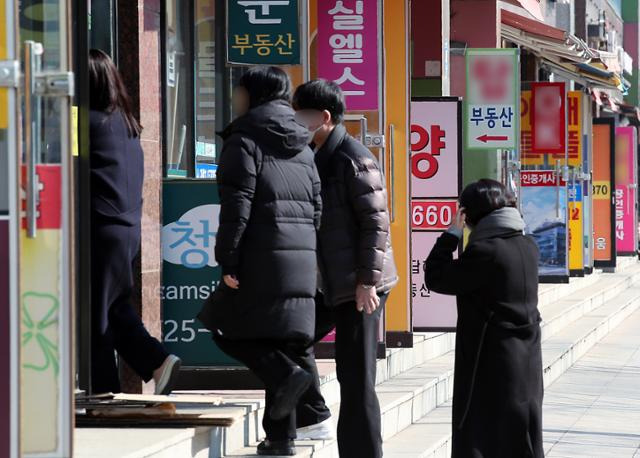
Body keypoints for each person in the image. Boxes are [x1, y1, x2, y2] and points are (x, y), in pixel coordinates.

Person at [211, 66, 322, 456]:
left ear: (251, 95)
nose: (233, 97)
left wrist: (228, 258)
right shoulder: (303, 144)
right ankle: (281, 439)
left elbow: (236, 206)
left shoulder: (244, 140)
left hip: (260, 256)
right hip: (301, 259)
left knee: (221, 324)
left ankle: (289, 379)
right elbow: (316, 208)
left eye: (237, 90)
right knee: (280, 344)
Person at [292, 80, 398, 458]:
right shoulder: (316, 153)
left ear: (323, 117)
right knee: (290, 339)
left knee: (355, 377)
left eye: (300, 113)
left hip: (361, 285)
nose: (294, 120)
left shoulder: (353, 158)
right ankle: (311, 415)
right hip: (331, 283)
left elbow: (376, 225)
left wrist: (367, 283)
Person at [424, 179, 544, 458]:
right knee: (521, 432)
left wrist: (451, 234)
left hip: (489, 359)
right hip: (526, 358)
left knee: (483, 431)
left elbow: (436, 276)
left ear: (469, 214)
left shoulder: (486, 252)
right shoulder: (528, 246)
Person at [89, 49, 180, 395]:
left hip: (99, 229)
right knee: (113, 306)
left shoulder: (85, 122)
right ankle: (157, 361)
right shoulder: (126, 125)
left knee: (95, 312)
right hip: (124, 229)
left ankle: (100, 390)